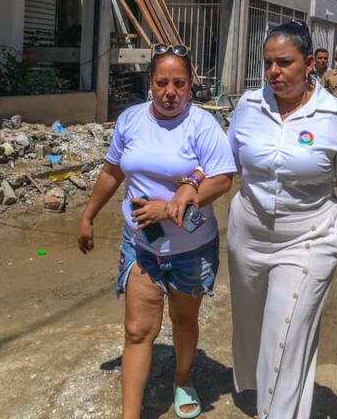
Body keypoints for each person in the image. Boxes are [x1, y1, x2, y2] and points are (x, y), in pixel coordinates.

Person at [76, 45, 237, 419]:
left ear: (191, 84)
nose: (170, 92)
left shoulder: (202, 125)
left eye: (179, 83)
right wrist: (88, 215)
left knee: (183, 321)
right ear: (150, 83)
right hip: (141, 247)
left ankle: (182, 379)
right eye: (162, 82)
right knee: (137, 332)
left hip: (191, 248)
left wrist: (176, 203)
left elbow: (223, 178)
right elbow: (112, 171)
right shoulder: (131, 120)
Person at [227, 21, 337, 419]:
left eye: (284, 62)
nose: (274, 71)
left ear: (309, 63)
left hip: (310, 237)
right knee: (252, 326)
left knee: (287, 333)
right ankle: (263, 395)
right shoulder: (248, 105)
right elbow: (225, 165)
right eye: (268, 63)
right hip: (248, 236)